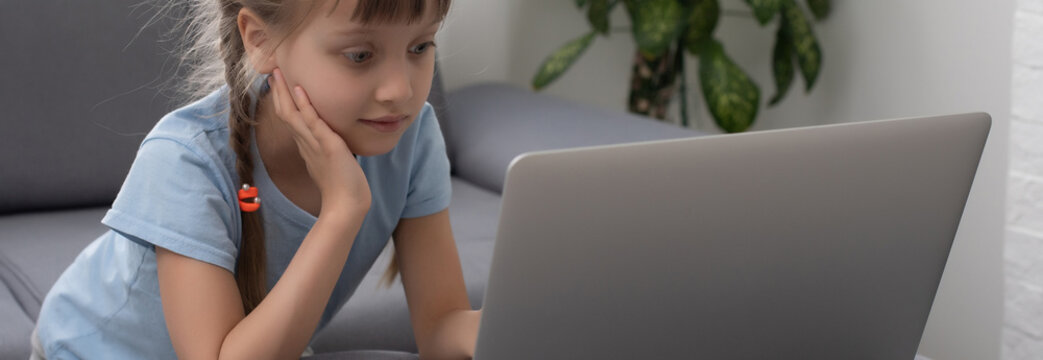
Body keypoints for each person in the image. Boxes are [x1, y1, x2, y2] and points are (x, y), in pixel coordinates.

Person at [31, 0, 481, 359]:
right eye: (360, 55)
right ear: (260, 40)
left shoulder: (412, 136)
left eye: (420, 47)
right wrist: (341, 211)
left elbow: (441, 327)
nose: (400, 90)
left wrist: (486, 330)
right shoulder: (185, 160)